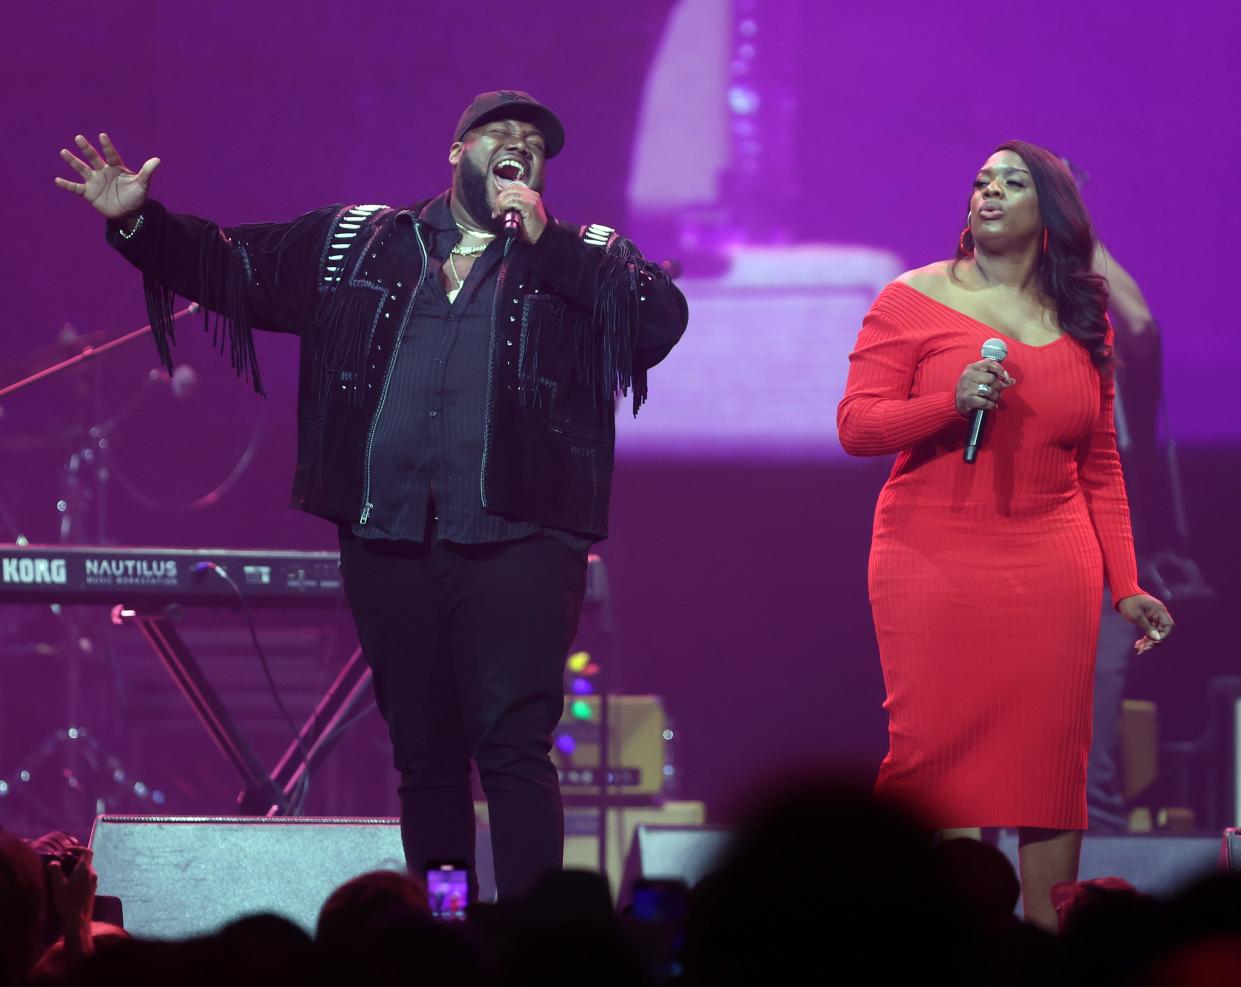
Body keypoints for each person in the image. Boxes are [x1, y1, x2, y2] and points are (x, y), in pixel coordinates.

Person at [54, 90, 688, 900]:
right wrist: (137, 223)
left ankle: (533, 942)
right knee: (425, 756)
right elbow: (232, 265)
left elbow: (656, 322)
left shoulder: (583, 253)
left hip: (521, 540)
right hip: (391, 539)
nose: (519, 146)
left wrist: (546, 245)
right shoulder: (356, 242)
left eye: (534, 142)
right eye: (501, 132)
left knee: (512, 748)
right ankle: (450, 926)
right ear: (456, 149)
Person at [835, 140, 1174, 930]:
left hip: (1052, 568)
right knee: (939, 762)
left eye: (1011, 182)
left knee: (1048, 768)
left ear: (1049, 213)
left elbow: (1099, 469)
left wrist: (1124, 584)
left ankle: (1049, 948)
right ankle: (960, 943)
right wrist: (948, 401)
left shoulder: (1085, 321)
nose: (987, 191)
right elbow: (857, 426)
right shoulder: (909, 299)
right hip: (929, 558)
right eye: (981, 181)